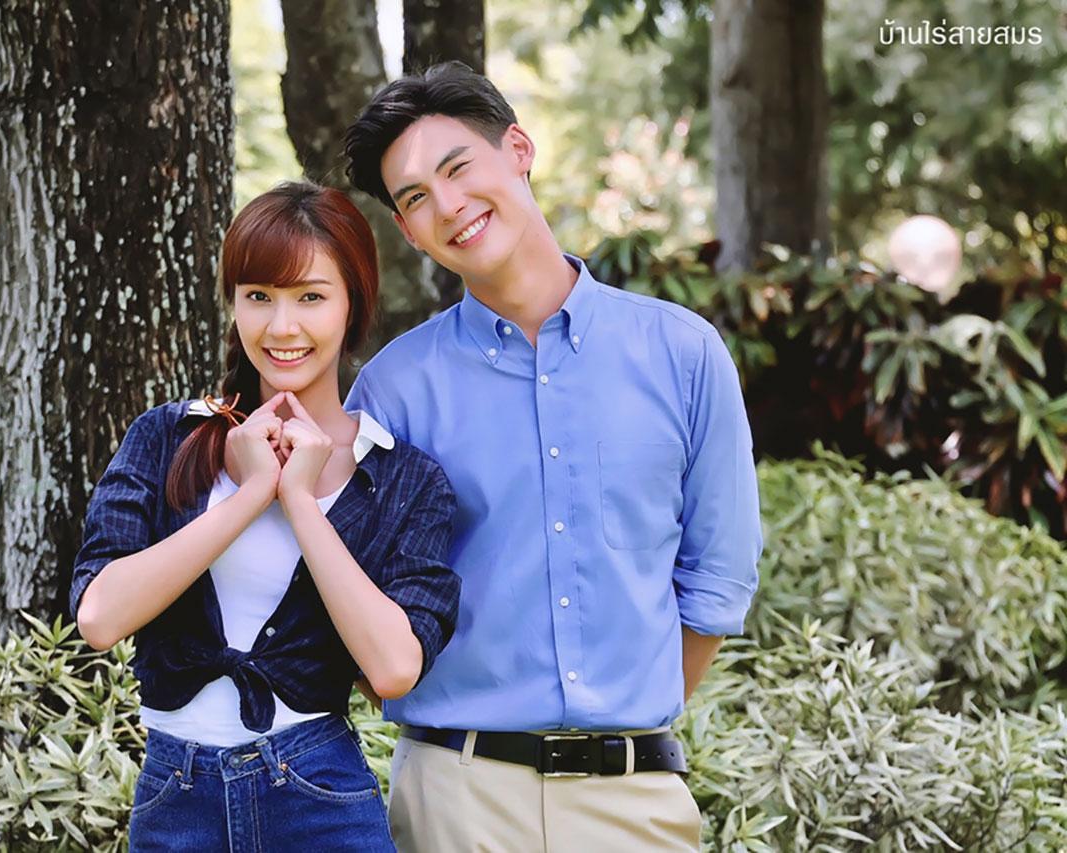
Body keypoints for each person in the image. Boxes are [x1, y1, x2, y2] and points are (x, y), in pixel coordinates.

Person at [341, 62, 764, 851]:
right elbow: (358, 604)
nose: (449, 206)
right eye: (416, 198)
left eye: (458, 168)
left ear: (519, 149)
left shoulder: (683, 353)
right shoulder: (393, 391)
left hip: (635, 803)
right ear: (406, 229)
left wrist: (623, 719)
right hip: (455, 799)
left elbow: (718, 575)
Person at [69, 182, 461, 852]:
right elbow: (101, 617)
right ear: (233, 303)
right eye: (258, 296)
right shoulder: (166, 437)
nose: (281, 327)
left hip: (319, 797)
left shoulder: (403, 479)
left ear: (353, 303)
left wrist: (301, 501)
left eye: (310, 297)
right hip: (175, 799)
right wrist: (252, 492)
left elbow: (394, 667)